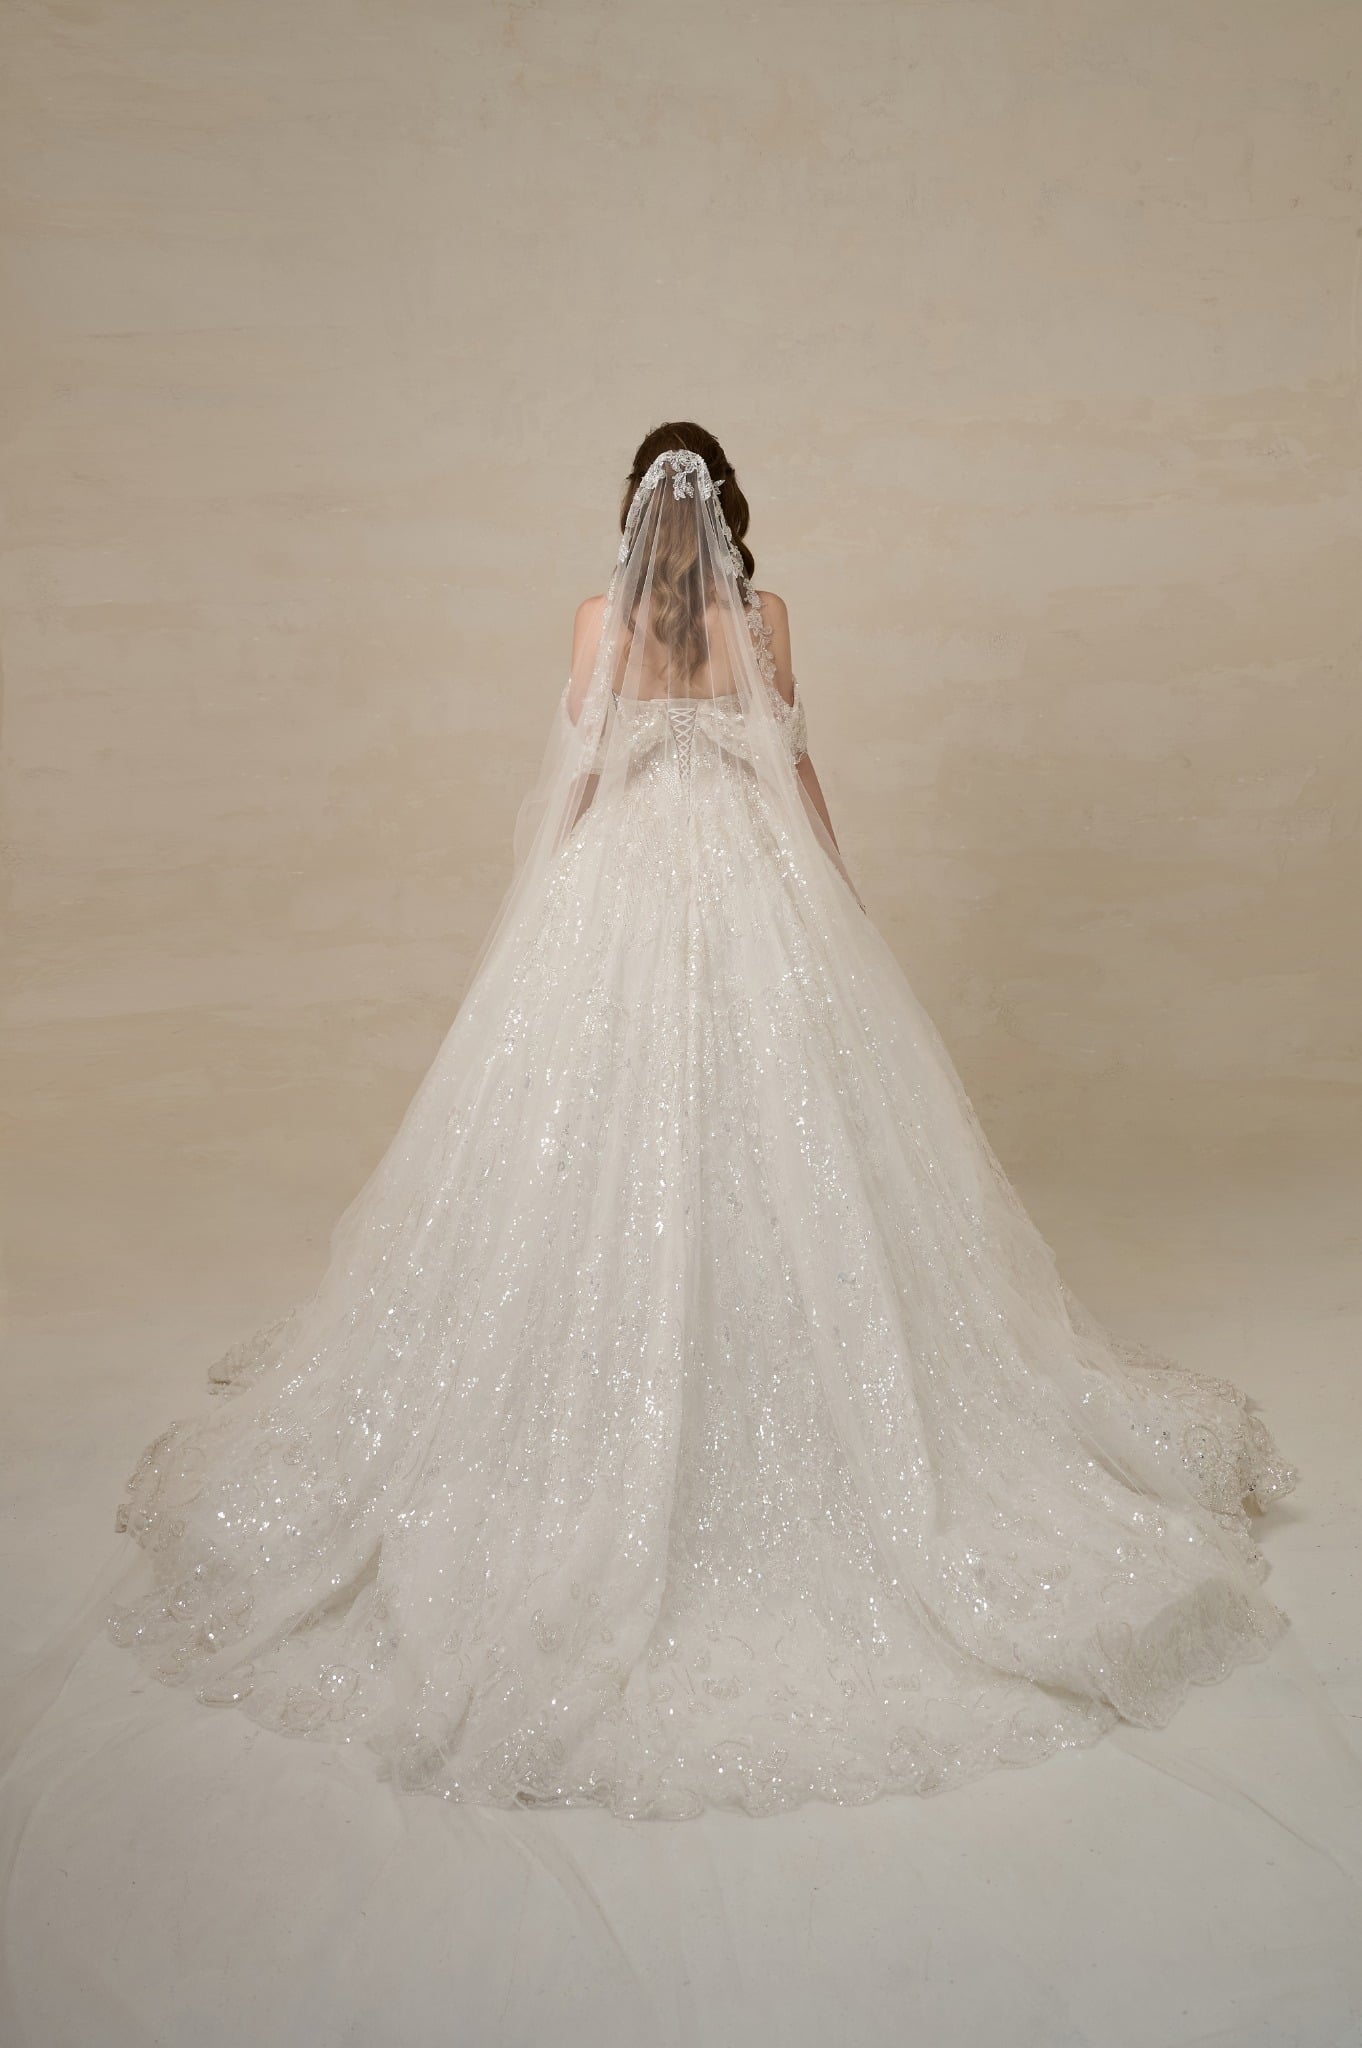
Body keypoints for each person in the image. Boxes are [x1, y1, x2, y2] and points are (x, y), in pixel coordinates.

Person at [109, 423, 1297, 1821]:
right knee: (790, 1148)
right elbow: (793, 768)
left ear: (632, 517)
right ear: (730, 513)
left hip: (620, 884)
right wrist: (838, 896)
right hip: (747, 883)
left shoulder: (596, 619)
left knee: (596, 1148)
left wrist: (542, 920)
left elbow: (579, 780)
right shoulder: (766, 617)